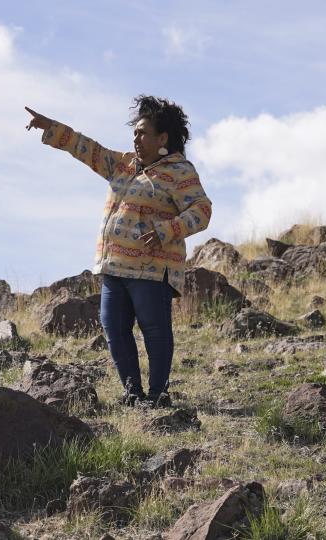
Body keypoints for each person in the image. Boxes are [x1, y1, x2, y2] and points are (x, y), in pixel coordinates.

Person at [25, 95, 212, 407]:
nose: (136, 137)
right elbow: (88, 149)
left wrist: (168, 230)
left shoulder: (180, 171)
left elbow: (202, 211)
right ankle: (132, 393)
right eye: (135, 132)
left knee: (155, 331)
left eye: (143, 132)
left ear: (162, 138)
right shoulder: (124, 165)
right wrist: (51, 128)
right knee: (114, 328)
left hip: (152, 269)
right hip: (114, 267)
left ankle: (158, 395)